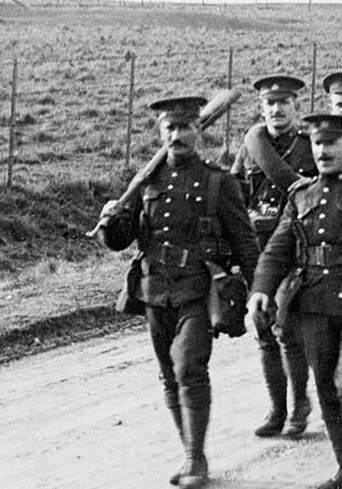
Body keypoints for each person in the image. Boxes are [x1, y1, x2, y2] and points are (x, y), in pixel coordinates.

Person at [97, 95, 261, 488]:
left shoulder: (218, 181)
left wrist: (260, 291)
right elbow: (121, 240)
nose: (177, 135)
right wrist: (109, 220)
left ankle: (195, 458)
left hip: (198, 289)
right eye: (170, 128)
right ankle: (188, 450)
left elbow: (245, 241)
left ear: (198, 130)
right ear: (161, 132)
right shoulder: (146, 181)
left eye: (185, 127)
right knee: (169, 375)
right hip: (154, 289)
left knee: (189, 368)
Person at [248, 113, 342, 489]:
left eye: (332, 143)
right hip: (313, 305)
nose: (323, 151)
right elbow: (279, 248)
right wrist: (261, 289)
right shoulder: (301, 195)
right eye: (317, 143)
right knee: (327, 387)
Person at [230, 75, 315, 439]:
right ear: (261, 108)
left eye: (284, 103)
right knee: (264, 331)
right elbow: (237, 195)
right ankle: (276, 409)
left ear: (296, 107)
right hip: (257, 250)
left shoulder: (308, 147)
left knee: (288, 332)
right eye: (270, 104)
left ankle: (299, 405)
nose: (277, 110)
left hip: (294, 249)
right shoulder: (251, 148)